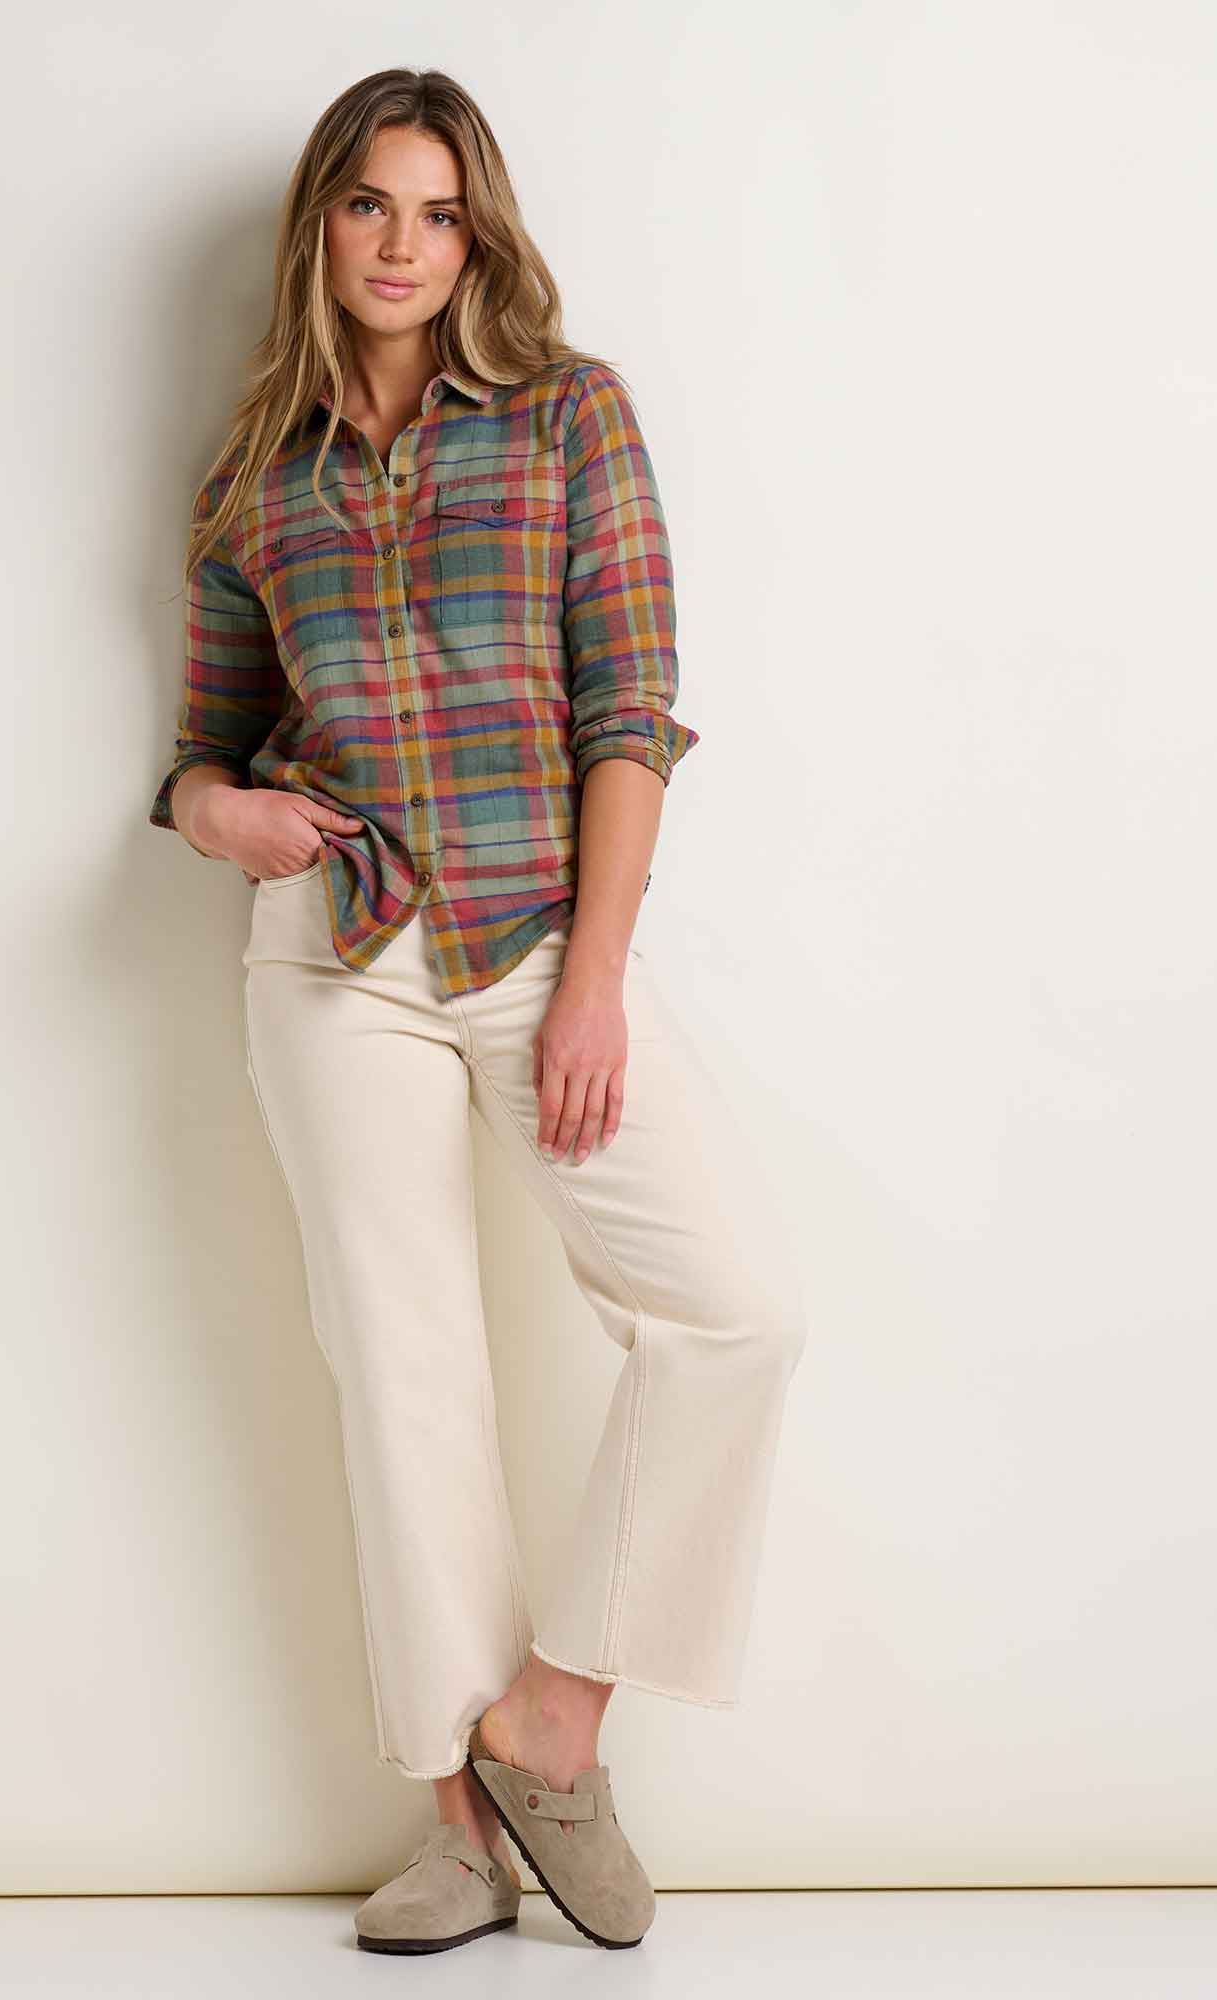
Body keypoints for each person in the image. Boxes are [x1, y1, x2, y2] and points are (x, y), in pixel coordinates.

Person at [151, 68, 808, 1955]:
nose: (403, 245)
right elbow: (198, 751)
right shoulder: (252, 475)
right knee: (405, 1366)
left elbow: (630, 710)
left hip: (535, 941)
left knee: (732, 1317)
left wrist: (593, 977)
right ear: (322, 223)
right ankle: (455, 1832)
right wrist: (221, 815)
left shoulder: (569, 415)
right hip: (331, 952)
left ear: (478, 235)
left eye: (438, 213)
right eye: (370, 205)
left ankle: (551, 1726)